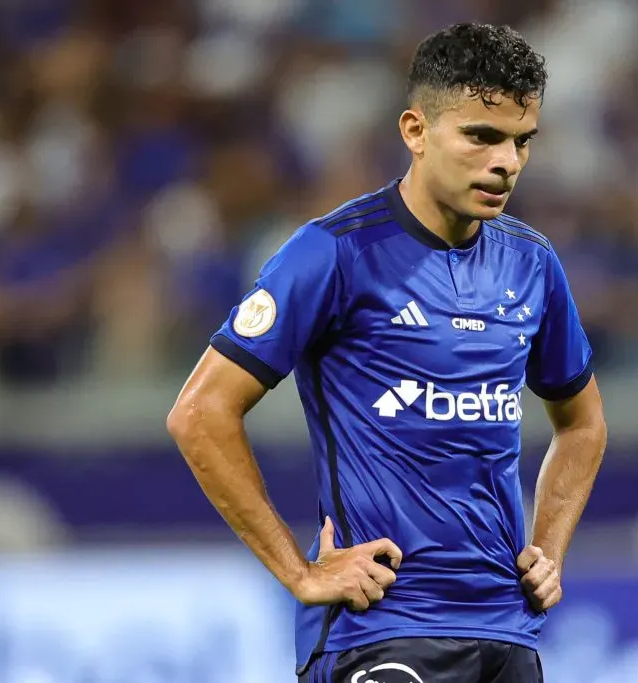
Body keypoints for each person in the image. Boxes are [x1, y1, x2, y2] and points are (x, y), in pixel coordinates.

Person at [167, 22, 607, 683]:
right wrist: (299, 570)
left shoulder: (532, 263)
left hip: (506, 631)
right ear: (415, 131)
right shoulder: (335, 252)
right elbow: (199, 413)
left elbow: (583, 423)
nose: (506, 162)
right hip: (380, 627)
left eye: (522, 141)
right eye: (482, 136)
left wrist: (547, 546)